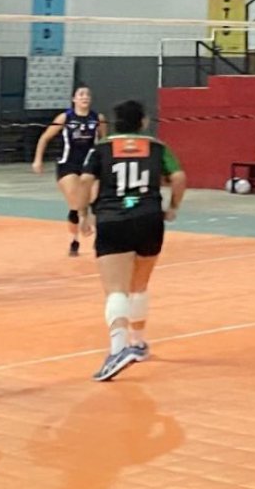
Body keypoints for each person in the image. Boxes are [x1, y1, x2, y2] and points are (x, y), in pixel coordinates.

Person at [80, 100, 186, 381]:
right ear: (143, 122)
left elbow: (85, 181)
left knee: (116, 290)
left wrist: (82, 213)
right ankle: (138, 343)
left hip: (113, 219)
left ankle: (118, 350)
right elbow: (178, 177)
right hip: (149, 218)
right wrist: (173, 207)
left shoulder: (101, 148)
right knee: (139, 285)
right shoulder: (157, 147)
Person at [32, 84, 108, 256]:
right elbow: (44, 138)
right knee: (76, 204)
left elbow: (104, 142)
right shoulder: (65, 117)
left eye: (87, 94)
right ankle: (74, 240)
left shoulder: (98, 118)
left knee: (96, 200)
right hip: (68, 164)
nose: (84, 97)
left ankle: (99, 238)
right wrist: (38, 160)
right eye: (81, 94)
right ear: (74, 99)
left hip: (90, 165)